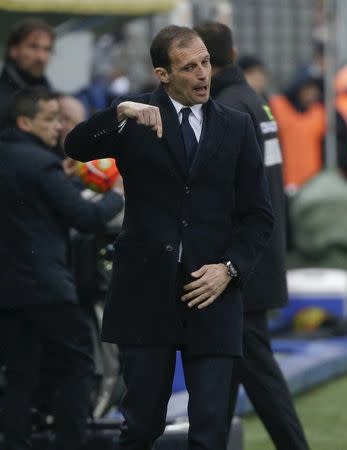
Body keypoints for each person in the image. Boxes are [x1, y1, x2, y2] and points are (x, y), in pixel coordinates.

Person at [65, 25, 274, 450]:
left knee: (211, 431)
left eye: (205, 63)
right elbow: (75, 145)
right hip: (146, 296)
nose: (202, 75)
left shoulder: (236, 126)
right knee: (141, 427)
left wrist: (230, 269)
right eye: (189, 67)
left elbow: (258, 216)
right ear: (163, 74)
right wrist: (118, 113)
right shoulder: (134, 117)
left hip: (213, 295)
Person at [194, 22, 310, 450]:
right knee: (225, 372)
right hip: (259, 255)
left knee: (257, 373)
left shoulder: (229, 108)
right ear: (236, 52)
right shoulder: (253, 101)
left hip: (240, 265)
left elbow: (222, 192)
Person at [0, 87, 124, 450]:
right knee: (77, 365)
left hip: (8, 291)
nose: (58, 127)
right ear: (25, 121)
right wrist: (117, 193)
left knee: (19, 374)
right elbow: (85, 217)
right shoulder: (42, 163)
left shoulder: (10, 157)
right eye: (50, 119)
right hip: (48, 287)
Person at [0, 18, 54, 129]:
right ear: (13, 50)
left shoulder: (48, 92)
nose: (41, 57)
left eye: (47, 49)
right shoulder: (4, 98)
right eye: (33, 47)